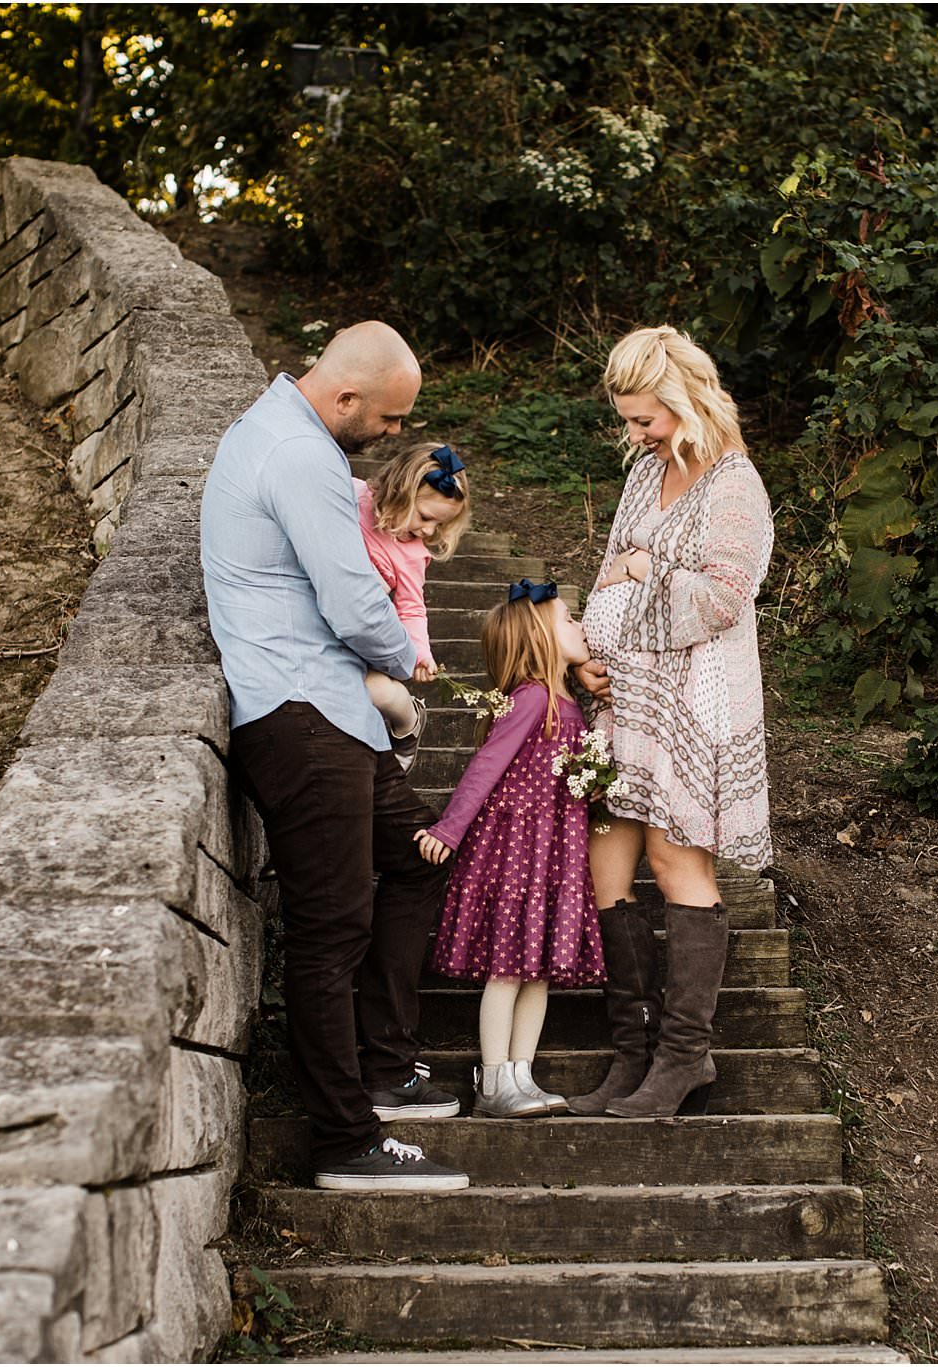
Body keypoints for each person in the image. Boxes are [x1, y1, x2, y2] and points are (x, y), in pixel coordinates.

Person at [200, 320, 468, 1193]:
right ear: (347, 398)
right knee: (333, 925)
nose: (394, 436)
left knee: (419, 853)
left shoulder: (284, 438)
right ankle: (343, 1138)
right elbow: (354, 601)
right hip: (298, 712)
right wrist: (406, 658)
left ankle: (387, 1064)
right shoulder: (300, 454)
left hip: (332, 712)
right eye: (389, 419)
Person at [567, 325, 775, 1119]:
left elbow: (721, 598)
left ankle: (684, 1057)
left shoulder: (733, 484)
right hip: (627, 697)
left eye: (645, 418)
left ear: (687, 402)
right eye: (627, 419)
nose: (634, 434)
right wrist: (587, 650)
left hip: (691, 697)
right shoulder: (647, 472)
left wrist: (648, 569)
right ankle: (631, 1055)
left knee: (672, 854)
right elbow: (606, 566)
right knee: (606, 865)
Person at [415, 580, 605, 1118]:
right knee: (506, 968)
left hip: (555, 849)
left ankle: (523, 1074)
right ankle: (495, 1078)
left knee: (538, 969)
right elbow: (485, 767)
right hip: (517, 846)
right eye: (569, 619)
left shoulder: (568, 700)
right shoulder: (532, 698)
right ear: (542, 637)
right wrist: (448, 830)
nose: (580, 626)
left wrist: (589, 785)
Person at [356, 441, 473, 770]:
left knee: (377, 692)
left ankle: (409, 719)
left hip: (366, 632)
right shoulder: (350, 495)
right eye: (425, 517)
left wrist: (420, 652)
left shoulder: (412, 553)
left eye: (439, 525)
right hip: (326, 617)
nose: (428, 530)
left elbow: (411, 607)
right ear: (399, 491)